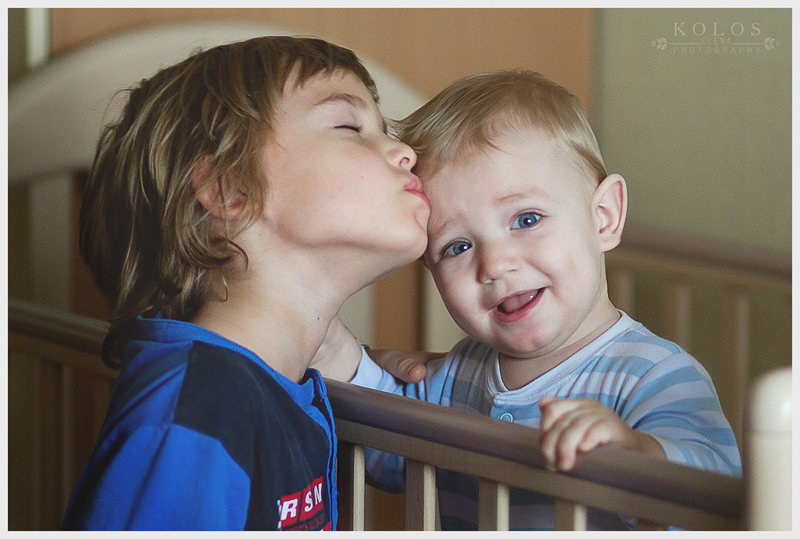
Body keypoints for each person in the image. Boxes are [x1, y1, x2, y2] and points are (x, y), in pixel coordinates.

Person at [318, 70, 742, 530]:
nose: (495, 264)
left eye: (526, 219)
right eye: (457, 247)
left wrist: (636, 453)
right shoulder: (458, 374)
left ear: (603, 217)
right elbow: (388, 447)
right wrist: (324, 341)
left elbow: (717, 495)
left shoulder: (653, 373)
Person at [61, 36, 429, 531]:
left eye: (385, 131)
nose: (405, 152)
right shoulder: (194, 419)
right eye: (349, 126)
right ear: (230, 190)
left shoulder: (271, 388)